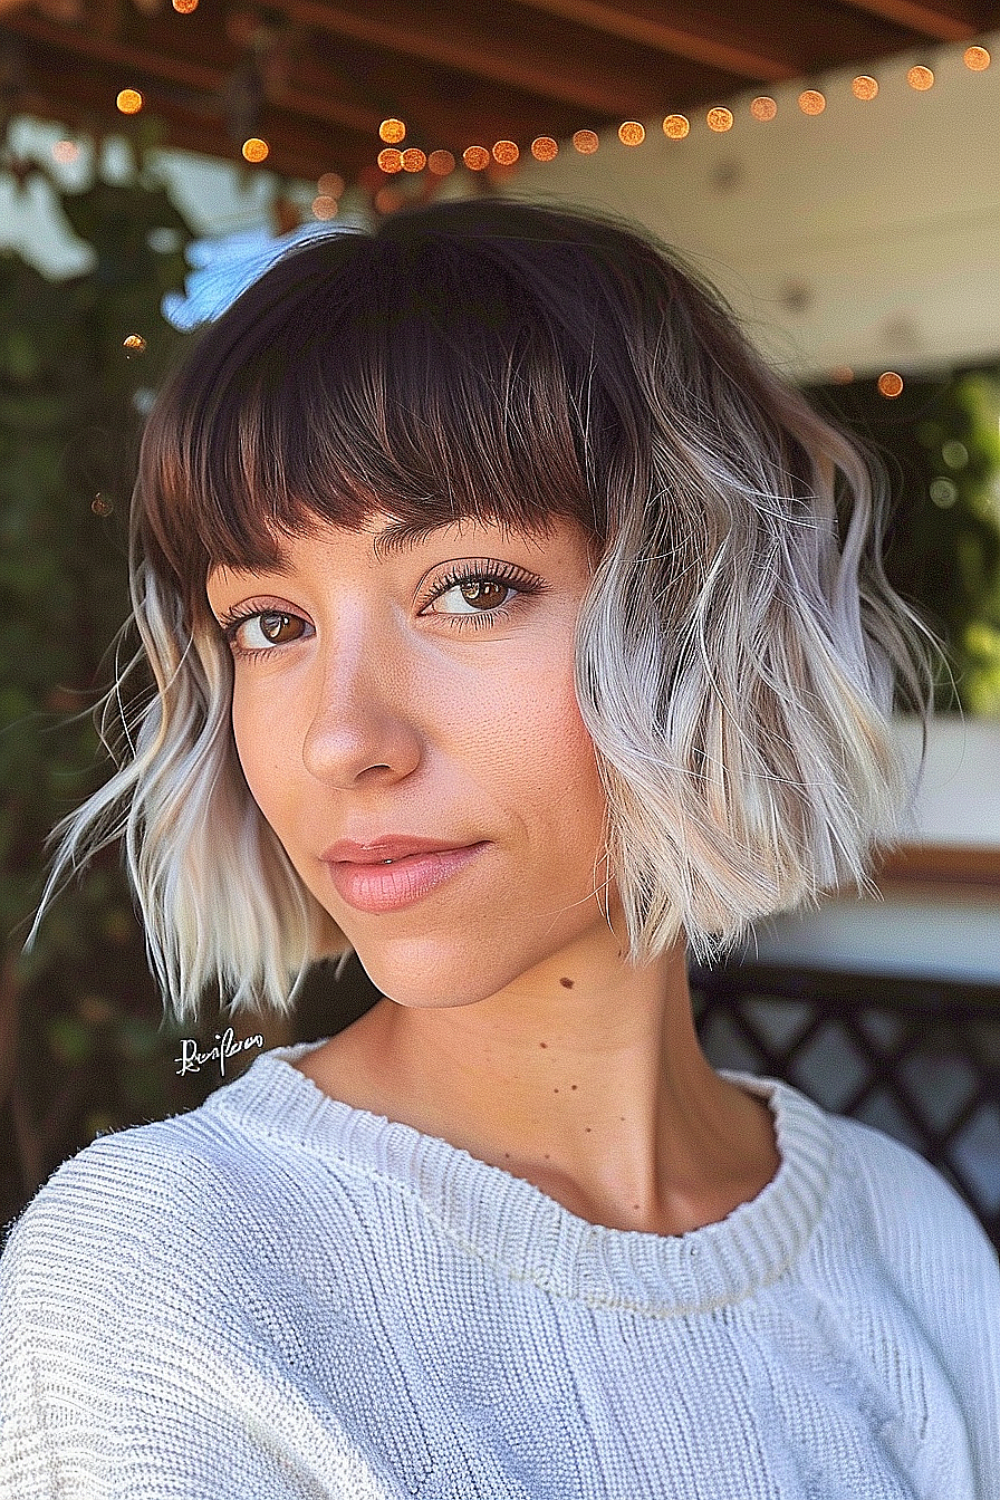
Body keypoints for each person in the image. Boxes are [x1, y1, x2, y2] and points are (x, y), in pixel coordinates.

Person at [1, 194, 997, 1498]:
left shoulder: (907, 1235)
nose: (340, 740)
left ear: (706, 618)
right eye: (268, 624)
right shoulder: (170, 1266)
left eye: (471, 589)